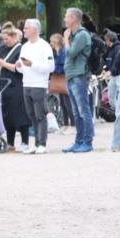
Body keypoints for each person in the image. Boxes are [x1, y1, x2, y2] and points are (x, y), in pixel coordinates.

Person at [0, 26, 29, 152]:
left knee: (20, 114)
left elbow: (16, 68)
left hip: (17, 83)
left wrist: (0, 61)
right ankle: (10, 143)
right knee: (7, 114)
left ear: (13, 37)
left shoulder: (21, 49)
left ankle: (25, 142)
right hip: (4, 84)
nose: (5, 41)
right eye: (3, 39)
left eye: (7, 39)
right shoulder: (2, 48)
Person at [17, 18, 54, 154]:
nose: (24, 30)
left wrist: (32, 64)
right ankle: (36, 142)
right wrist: (19, 66)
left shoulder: (44, 46)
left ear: (35, 30)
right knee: (31, 115)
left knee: (40, 115)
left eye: (26, 28)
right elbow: (21, 67)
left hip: (39, 84)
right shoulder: (25, 46)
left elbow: (51, 67)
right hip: (26, 83)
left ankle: (42, 143)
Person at [62, 8, 94, 153]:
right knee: (76, 112)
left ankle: (87, 142)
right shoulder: (74, 35)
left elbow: (71, 52)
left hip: (80, 75)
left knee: (83, 110)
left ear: (74, 18)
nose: (64, 19)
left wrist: (65, 40)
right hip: (71, 75)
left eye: (67, 17)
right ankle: (79, 141)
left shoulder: (81, 35)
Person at [49, 33, 73, 134]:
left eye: (51, 41)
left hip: (64, 78)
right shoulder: (57, 52)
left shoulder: (63, 52)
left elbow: (63, 66)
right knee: (63, 103)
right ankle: (65, 124)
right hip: (60, 79)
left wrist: (53, 68)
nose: (50, 44)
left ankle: (73, 125)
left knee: (68, 103)